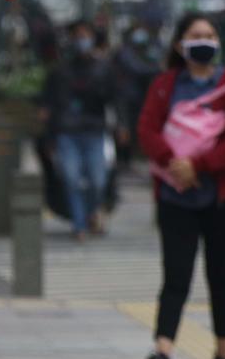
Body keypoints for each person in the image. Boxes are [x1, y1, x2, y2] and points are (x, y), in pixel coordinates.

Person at [137, 13, 225, 359]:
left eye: (209, 34)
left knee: (220, 278)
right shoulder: (165, 85)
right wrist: (174, 165)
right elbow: (147, 130)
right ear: (179, 44)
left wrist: (198, 166)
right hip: (176, 197)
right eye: (195, 35)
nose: (203, 40)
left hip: (224, 198)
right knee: (176, 277)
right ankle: (163, 353)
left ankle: (221, 358)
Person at [42, 20, 115, 240]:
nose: (82, 40)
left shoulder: (103, 68)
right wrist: (48, 132)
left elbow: (115, 98)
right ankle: (79, 224)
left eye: (86, 35)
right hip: (67, 132)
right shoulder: (60, 70)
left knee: (97, 181)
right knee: (71, 178)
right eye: (78, 35)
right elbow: (48, 103)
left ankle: (91, 212)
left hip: (94, 131)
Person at [114, 22, 163, 172]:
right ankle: (124, 160)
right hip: (125, 97)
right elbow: (138, 68)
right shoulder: (124, 52)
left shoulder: (147, 50)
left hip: (142, 98)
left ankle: (136, 157)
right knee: (125, 128)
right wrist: (154, 68)